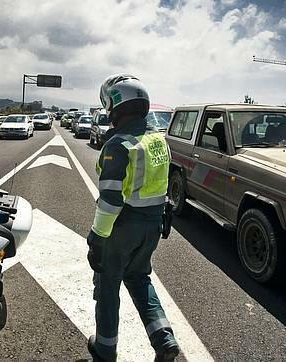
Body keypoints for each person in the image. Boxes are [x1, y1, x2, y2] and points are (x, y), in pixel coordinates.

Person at [86, 74, 179, 362]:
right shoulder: (157, 141)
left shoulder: (118, 145)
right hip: (152, 225)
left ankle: (104, 349)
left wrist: (96, 238)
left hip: (121, 228)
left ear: (114, 106)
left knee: (107, 286)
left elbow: (111, 201)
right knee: (140, 279)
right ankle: (164, 340)